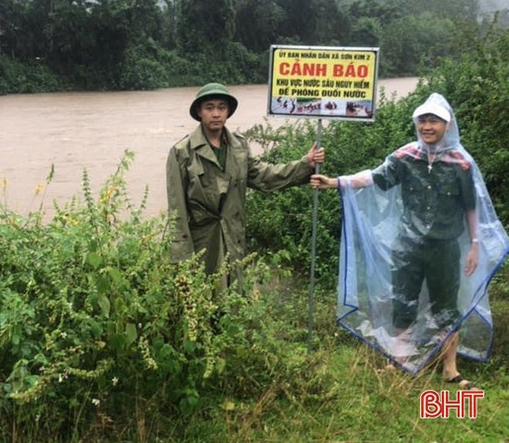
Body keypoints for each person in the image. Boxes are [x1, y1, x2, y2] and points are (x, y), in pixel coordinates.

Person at [311, 92, 508, 387]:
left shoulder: (461, 163)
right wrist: (336, 182)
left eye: (434, 121)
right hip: (408, 246)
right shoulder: (406, 156)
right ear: (417, 124)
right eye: (423, 121)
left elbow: (471, 206)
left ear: (447, 124)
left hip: (445, 247)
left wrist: (476, 245)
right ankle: (400, 361)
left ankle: (450, 369)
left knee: (447, 306)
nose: (427, 127)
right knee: (403, 301)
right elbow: (374, 177)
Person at [166, 82, 325, 290]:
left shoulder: (238, 146)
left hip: (233, 236)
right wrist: (182, 258)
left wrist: (305, 164)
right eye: (209, 107)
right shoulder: (182, 152)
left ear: (228, 112)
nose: (216, 114)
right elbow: (177, 210)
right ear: (199, 112)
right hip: (202, 242)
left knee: (233, 299)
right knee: (201, 299)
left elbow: (264, 175)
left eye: (221, 107)